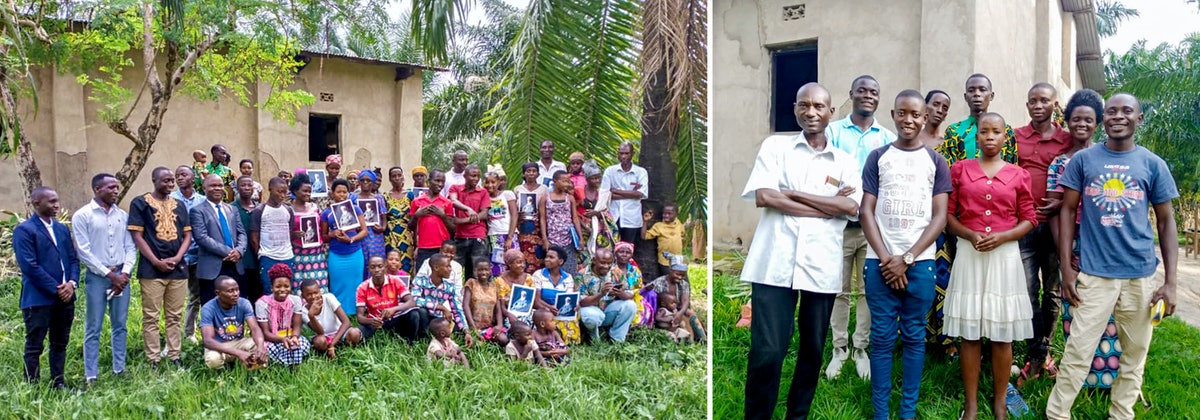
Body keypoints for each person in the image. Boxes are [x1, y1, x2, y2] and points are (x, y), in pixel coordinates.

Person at [1046, 93, 1179, 420]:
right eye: (1112, 111)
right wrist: (1066, 268)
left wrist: (1171, 282)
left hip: (1140, 276)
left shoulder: (1152, 164)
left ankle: (1121, 414)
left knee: (1135, 355)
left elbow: (1166, 221)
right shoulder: (1083, 161)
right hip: (1094, 275)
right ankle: (1057, 414)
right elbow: (1067, 211)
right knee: (1077, 352)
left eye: (1127, 111)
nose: (1118, 116)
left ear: (1139, 118)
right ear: (1104, 118)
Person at [860, 89, 952, 420]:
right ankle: (881, 413)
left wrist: (908, 258)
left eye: (916, 115)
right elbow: (866, 211)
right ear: (894, 114)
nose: (909, 120)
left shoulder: (936, 161)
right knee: (882, 340)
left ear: (925, 118)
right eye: (902, 113)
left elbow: (939, 216)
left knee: (915, 337)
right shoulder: (878, 157)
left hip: (921, 264)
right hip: (880, 264)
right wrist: (888, 258)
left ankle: (908, 412)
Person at [944, 112, 1037, 420]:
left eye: (996, 132)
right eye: (984, 132)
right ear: (977, 137)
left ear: (1005, 137)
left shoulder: (1017, 174)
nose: (989, 137)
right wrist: (970, 234)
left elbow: (1029, 219)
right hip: (970, 254)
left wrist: (1003, 237)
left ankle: (999, 402)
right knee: (970, 332)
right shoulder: (960, 169)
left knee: (1001, 333)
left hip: (1004, 256)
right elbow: (949, 215)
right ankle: (970, 404)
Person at [1045, 89, 1120, 390]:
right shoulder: (1059, 163)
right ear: (1067, 122)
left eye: (1089, 120)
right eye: (1076, 119)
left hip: (1105, 243)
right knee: (1074, 306)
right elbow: (1054, 211)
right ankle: (1080, 377)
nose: (1082, 125)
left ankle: (1109, 378)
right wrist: (1065, 254)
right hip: (1071, 243)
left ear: (1097, 123)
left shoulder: (1109, 160)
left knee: (1110, 309)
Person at [825, 75, 896, 380]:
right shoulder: (833, 131)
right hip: (838, 225)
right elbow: (823, 171)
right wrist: (839, 189)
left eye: (874, 92)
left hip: (873, 228)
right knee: (838, 290)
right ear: (851, 93)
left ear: (879, 98)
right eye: (862, 90)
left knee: (868, 292)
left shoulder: (888, 137)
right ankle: (838, 349)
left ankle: (860, 348)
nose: (868, 95)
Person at [1014, 82, 1074, 380]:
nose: (1038, 105)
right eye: (1032, 101)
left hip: (1054, 226)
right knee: (1026, 292)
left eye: (1044, 100)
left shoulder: (1066, 139)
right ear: (1027, 106)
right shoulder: (1016, 137)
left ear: (1055, 105)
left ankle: (1042, 352)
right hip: (1023, 225)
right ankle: (1039, 354)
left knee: (1051, 291)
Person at [72, 173, 138, 385]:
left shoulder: (122, 215)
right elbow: (84, 251)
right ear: (97, 189)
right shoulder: (83, 215)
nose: (115, 191)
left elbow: (130, 247)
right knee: (94, 325)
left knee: (120, 324)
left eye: (117, 187)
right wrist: (110, 275)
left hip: (121, 275)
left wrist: (125, 273)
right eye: (110, 187)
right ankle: (91, 374)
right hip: (98, 277)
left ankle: (119, 368)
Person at [16, 187, 79, 389]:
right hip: (39, 298)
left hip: (66, 297)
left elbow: (73, 260)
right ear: (36, 203)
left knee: (60, 343)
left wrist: (71, 284)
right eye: (51, 202)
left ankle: (58, 382)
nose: (56, 205)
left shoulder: (61, 229)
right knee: (35, 345)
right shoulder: (25, 230)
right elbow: (29, 266)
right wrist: (57, 288)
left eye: (56, 201)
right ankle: (31, 387)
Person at [132, 167, 194, 365]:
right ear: (154, 180)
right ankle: (153, 358)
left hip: (178, 269)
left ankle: (175, 355)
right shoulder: (140, 203)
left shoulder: (179, 205)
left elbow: (188, 235)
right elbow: (137, 236)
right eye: (165, 180)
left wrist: (177, 258)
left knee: (174, 316)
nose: (170, 184)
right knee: (151, 316)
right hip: (151, 270)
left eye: (171, 181)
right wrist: (156, 261)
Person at [918, 90, 960, 358]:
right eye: (936, 104)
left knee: (942, 277)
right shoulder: (910, 139)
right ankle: (916, 337)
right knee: (916, 277)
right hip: (911, 220)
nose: (940, 110)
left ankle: (945, 340)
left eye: (946, 106)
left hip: (941, 221)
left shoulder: (949, 143)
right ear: (925, 106)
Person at [191, 174, 249, 309]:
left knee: (236, 306)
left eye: (220, 185)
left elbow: (241, 233)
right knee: (211, 306)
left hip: (235, 265)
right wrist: (229, 252)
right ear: (204, 188)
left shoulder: (232, 209)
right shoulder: (197, 211)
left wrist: (239, 251)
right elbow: (201, 237)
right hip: (212, 268)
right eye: (213, 185)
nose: (217, 188)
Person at [941, 73, 1018, 165]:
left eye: (982, 90)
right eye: (971, 90)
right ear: (965, 97)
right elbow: (950, 171)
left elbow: (1012, 169)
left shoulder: (1005, 131)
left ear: (991, 96)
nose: (977, 94)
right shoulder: (953, 131)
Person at [172, 165, 207, 345]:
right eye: (177, 175)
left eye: (183, 174)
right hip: (176, 257)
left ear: (193, 178)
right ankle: (172, 337)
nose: (179, 178)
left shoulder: (202, 200)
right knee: (174, 299)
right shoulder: (170, 200)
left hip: (197, 256)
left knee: (195, 296)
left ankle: (189, 332)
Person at [201, 277, 267, 370]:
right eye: (230, 291)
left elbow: (255, 328)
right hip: (218, 345)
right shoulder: (208, 308)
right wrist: (238, 353)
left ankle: (251, 371)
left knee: (260, 346)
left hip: (238, 342)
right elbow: (208, 341)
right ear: (218, 293)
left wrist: (261, 347)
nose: (236, 294)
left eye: (237, 290)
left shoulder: (244, 303)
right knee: (213, 359)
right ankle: (222, 376)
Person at [323, 179, 367, 316]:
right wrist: (332, 234)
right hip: (336, 255)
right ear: (332, 194)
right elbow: (323, 237)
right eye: (338, 192)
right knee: (337, 283)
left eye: (344, 192)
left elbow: (364, 231)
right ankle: (339, 313)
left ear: (348, 193)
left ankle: (355, 312)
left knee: (355, 282)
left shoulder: (355, 209)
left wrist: (351, 239)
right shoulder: (326, 213)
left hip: (354, 253)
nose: (342, 195)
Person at [356, 256, 423, 344]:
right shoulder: (362, 287)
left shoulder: (395, 280)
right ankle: (379, 340)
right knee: (356, 334)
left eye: (380, 266)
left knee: (414, 314)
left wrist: (393, 309)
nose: (377, 270)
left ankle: (410, 343)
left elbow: (411, 302)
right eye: (373, 267)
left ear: (385, 267)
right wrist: (371, 321)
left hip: (394, 319)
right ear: (369, 270)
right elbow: (360, 317)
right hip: (375, 323)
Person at [255, 265, 311, 367]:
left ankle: (290, 364)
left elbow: (297, 326)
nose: (282, 289)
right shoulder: (262, 303)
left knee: (302, 345)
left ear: (291, 287)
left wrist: (294, 337)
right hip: (272, 339)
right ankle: (288, 364)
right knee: (270, 350)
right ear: (272, 288)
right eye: (278, 286)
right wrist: (281, 340)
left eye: (286, 286)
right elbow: (265, 332)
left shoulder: (295, 300)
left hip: (290, 335)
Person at [578, 248, 638, 343]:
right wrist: (601, 294)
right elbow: (581, 302)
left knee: (630, 305)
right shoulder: (582, 274)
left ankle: (616, 339)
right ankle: (594, 340)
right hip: (590, 311)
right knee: (591, 316)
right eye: (602, 263)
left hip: (608, 311)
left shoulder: (616, 271)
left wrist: (620, 294)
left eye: (609, 263)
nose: (606, 266)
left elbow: (629, 293)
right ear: (594, 260)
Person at [249, 177, 295, 298]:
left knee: (286, 291)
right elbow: (254, 237)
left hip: (287, 256)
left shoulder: (288, 209)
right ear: (270, 190)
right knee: (269, 289)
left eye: (285, 192)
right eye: (279, 191)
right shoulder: (260, 210)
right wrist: (260, 253)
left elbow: (290, 232)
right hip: (268, 256)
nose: (282, 195)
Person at [411, 254, 472, 342]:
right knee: (422, 311)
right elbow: (414, 299)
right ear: (436, 268)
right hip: (423, 318)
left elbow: (457, 310)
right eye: (448, 266)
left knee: (456, 328)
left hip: (437, 319)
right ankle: (422, 339)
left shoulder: (449, 287)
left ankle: (435, 338)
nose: (450, 269)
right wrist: (441, 307)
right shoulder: (421, 280)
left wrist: (467, 332)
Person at [646, 255, 706, 342]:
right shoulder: (659, 282)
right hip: (663, 311)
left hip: (677, 309)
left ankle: (703, 338)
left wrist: (680, 313)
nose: (680, 277)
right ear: (670, 270)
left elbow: (685, 300)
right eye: (677, 274)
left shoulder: (683, 284)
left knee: (690, 312)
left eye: (683, 275)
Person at [601, 142, 649, 250]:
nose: (623, 156)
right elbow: (605, 194)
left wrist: (616, 191)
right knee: (610, 249)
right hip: (613, 217)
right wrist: (631, 194)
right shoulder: (610, 171)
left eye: (626, 153)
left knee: (627, 249)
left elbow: (641, 193)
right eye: (621, 153)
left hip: (631, 219)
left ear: (632, 154)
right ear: (617, 154)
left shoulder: (640, 172)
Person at [300, 279, 362, 359]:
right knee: (319, 342)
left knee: (354, 333)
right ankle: (328, 352)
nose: (313, 297)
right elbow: (320, 332)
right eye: (308, 294)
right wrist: (311, 315)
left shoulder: (329, 298)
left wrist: (332, 344)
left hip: (340, 333)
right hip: (324, 337)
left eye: (316, 293)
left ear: (320, 291)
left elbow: (346, 322)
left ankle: (340, 347)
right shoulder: (304, 311)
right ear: (303, 296)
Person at [289, 174, 329, 293]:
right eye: (304, 191)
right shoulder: (289, 209)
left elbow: (322, 228)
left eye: (309, 191)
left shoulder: (315, 207)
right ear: (295, 191)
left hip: (316, 253)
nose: (308, 194)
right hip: (298, 253)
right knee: (299, 285)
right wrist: (293, 235)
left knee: (318, 283)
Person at [532, 246, 580, 344]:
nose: (547, 259)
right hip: (543, 311)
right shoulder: (538, 274)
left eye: (551, 257)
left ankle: (564, 342)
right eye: (546, 257)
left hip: (560, 311)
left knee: (572, 318)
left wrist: (575, 305)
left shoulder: (568, 278)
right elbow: (536, 301)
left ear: (560, 261)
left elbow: (569, 299)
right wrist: (549, 309)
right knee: (546, 319)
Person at [409, 169, 455, 271]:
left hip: (442, 249)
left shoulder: (447, 203)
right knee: (423, 277)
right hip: (424, 248)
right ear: (429, 181)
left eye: (442, 182)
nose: (440, 184)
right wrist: (417, 215)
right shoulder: (417, 201)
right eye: (437, 180)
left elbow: (453, 229)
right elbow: (410, 227)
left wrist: (442, 216)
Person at [540, 171, 584, 275]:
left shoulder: (570, 198)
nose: (567, 184)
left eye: (568, 182)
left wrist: (580, 238)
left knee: (570, 269)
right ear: (555, 181)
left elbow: (575, 218)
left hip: (568, 239)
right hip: (552, 239)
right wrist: (545, 239)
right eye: (564, 181)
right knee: (553, 267)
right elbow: (542, 219)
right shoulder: (545, 198)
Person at [450, 164, 490, 272]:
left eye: (478, 176)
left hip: (478, 236)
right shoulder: (455, 188)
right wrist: (467, 209)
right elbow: (453, 201)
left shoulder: (483, 192)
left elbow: (484, 214)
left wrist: (461, 221)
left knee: (477, 271)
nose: (476, 179)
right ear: (465, 175)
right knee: (454, 270)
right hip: (460, 236)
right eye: (473, 176)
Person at [574, 160, 619, 258]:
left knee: (599, 254)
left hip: (599, 229)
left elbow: (607, 212)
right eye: (593, 178)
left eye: (598, 178)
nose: (597, 181)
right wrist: (585, 227)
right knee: (582, 255)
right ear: (587, 179)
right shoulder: (578, 190)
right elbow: (573, 211)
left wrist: (598, 214)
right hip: (582, 228)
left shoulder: (603, 193)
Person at [463, 260, 508, 346]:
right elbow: (465, 305)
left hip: (489, 327)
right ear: (475, 271)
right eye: (480, 270)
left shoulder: (494, 286)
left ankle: (487, 339)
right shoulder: (471, 283)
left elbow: (498, 309)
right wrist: (473, 327)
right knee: (477, 344)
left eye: (486, 270)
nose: (483, 272)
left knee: (503, 339)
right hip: (473, 325)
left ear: (490, 271)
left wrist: (499, 325)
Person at [513, 162, 548, 273]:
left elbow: (546, 210)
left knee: (538, 256)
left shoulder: (544, 189)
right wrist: (518, 215)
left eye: (534, 171)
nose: (531, 173)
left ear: (538, 174)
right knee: (522, 256)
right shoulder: (517, 189)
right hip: (522, 228)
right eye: (528, 171)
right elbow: (513, 209)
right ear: (524, 174)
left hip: (537, 229)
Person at [384, 166, 416, 273]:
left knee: (407, 264)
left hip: (406, 236)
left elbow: (414, 218)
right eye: (394, 176)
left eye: (399, 175)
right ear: (390, 179)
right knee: (392, 264)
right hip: (391, 236)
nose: (397, 178)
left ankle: (406, 288)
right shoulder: (385, 197)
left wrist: (416, 240)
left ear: (403, 177)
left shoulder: (410, 195)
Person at [234, 176, 261, 302]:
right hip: (241, 261)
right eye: (243, 185)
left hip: (259, 259)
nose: (246, 188)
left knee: (258, 296)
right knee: (241, 297)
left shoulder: (260, 208)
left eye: (249, 185)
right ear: (237, 188)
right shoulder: (231, 209)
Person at [485, 171, 517, 275]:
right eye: (487, 182)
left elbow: (514, 215)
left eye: (493, 182)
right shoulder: (484, 198)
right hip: (494, 235)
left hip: (509, 233)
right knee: (498, 266)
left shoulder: (507, 194)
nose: (490, 185)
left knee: (514, 262)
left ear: (499, 182)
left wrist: (510, 238)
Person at [355, 169, 388, 267]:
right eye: (363, 180)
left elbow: (384, 217)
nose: (365, 182)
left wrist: (383, 228)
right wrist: (355, 226)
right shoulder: (353, 198)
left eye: (368, 180)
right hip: (359, 234)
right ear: (359, 182)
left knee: (375, 262)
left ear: (373, 182)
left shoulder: (378, 198)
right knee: (361, 261)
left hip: (375, 235)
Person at [495, 249, 536, 327]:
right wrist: (508, 314)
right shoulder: (500, 281)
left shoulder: (528, 278)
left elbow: (533, 301)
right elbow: (501, 306)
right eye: (519, 262)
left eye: (524, 262)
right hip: (508, 312)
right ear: (509, 264)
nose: (523, 265)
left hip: (526, 311)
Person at [642, 203, 684, 278]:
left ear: (676, 214)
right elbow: (644, 236)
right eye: (664, 213)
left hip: (678, 260)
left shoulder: (678, 224)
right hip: (665, 261)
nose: (666, 215)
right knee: (670, 280)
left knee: (683, 281)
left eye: (669, 213)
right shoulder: (659, 226)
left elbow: (682, 235)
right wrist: (645, 222)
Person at [612, 241, 649, 327]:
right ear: (615, 253)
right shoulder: (610, 269)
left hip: (632, 297)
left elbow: (638, 287)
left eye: (628, 252)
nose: (624, 254)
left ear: (631, 255)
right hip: (614, 299)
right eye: (621, 252)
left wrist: (629, 294)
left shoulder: (634, 270)